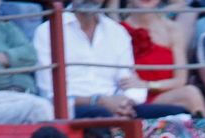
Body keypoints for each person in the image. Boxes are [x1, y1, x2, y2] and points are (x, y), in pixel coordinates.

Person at [36, 0, 191, 117]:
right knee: (100, 114)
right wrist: (98, 101)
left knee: (179, 115)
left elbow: (128, 82)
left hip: (118, 104)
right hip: (73, 109)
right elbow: (49, 94)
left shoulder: (116, 32)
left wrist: (125, 103)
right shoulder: (47, 32)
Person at [123, 0, 205, 113]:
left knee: (190, 94)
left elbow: (180, 80)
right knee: (190, 95)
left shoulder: (173, 29)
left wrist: (147, 85)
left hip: (166, 95)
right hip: (132, 99)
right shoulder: (118, 30)